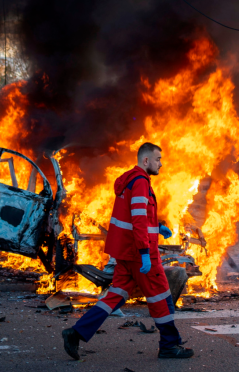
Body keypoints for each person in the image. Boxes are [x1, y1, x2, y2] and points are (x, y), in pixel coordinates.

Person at [62, 142, 193, 360]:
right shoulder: (141, 182)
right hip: (139, 254)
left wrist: (157, 227)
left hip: (124, 253)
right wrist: (144, 253)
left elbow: (135, 216)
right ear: (146, 160)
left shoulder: (130, 180)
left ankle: (76, 333)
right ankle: (169, 345)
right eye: (158, 159)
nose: (161, 163)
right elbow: (138, 219)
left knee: (115, 296)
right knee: (162, 297)